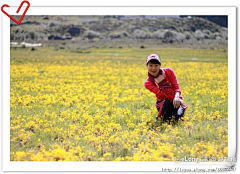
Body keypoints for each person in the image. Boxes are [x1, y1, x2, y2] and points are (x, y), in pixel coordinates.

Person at [144, 54, 187, 123]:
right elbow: (163, 94)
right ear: (147, 66)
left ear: (160, 65)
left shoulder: (169, 71)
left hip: (176, 100)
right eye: (150, 65)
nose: (153, 68)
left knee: (177, 118)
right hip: (164, 103)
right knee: (167, 120)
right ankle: (164, 117)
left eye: (156, 65)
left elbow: (176, 86)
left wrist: (177, 97)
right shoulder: (148, 83)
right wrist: (179, 100)